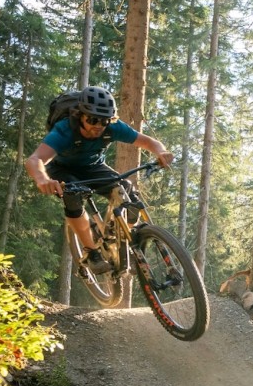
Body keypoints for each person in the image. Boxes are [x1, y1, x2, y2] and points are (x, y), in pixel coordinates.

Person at [25, 85, 174, 273]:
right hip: (62, 169)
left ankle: (126, 242)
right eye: (93, 119)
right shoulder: (65, 130)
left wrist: (161, 152)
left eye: (104, 121)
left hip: (93, 167)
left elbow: (148, 141)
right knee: (72, 197)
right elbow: (35, 159)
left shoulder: (112, 128)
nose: (98, 125)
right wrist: (42, 179)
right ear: (81, 115)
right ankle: (91, 252)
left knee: (127, 192)